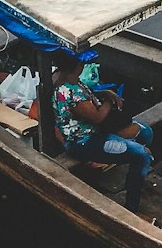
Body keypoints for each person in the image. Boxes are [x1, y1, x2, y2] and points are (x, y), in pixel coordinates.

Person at [52, 52, 154, 214]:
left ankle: (135, 176)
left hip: (95, 132)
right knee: (142, 156)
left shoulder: (70, 81)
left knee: (145, 132)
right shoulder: (68, 92)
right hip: (84, 141)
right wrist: (108, 101)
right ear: (77, 66)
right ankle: (132, 206)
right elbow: (97, 117)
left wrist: (106, 93)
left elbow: (88, 98)